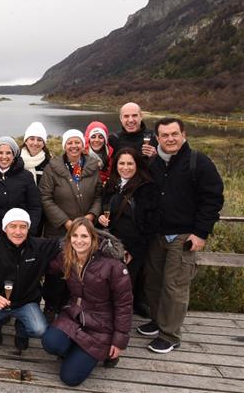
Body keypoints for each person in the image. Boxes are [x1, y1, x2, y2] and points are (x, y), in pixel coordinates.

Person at [139, 117, 224, 353]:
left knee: (175, 286)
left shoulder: (199, 161)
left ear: (183, 134)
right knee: (154, 283)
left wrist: (200, 233)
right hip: (157, 235)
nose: (170, 139)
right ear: (157, 138)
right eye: (164, 135)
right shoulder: (153, 163)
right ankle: (158, 321)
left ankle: (170, 335)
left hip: (184, 236)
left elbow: (213, 199)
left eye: (174, 134)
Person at [42, 217, 133, 386]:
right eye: (74, 236)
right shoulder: (67, 257)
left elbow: (124, 305)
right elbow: (45, 266)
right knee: (50, 342)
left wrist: (118, 341)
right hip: (73, 314)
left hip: (101, 324)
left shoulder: (113, 265)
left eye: (84, 236)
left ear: (94, 238)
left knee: (69, 378)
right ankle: (79, 351)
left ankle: (98, 353)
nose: (79, 241)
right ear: (69, 239)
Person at [0, 208, 61, 352]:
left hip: (26, 302)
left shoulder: (39, 247)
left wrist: (99, 238)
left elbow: (67, 241)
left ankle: (21, 329)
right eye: (13, 226)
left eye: (23, 227)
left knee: (40, 329)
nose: (18, 232)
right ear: (5, 228)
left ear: (28, 228)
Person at [39, 129, 102, 320]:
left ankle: (70, 306)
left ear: (83, 145)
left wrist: (90, 217)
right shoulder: (53, 167)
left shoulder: (92, 166)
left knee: (79, 270)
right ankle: (51, 306)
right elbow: (46, 197)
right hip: (58, 229)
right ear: (64, 145)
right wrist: (66, 222)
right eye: (69, 143)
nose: (74, 146)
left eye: (77, 142)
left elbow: (99, 195)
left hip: (86, 230)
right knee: (55, 269)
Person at [98, 148, 159, 316]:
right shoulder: (111, 185)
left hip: (131, 249)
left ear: (137, 165)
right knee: (106, 285)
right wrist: (100, 219)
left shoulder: (146, 188)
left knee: (124, 288)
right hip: (109, 245)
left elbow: (150, 225)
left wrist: (132, 250)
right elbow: (104, 212)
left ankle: (120, 324)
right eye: (121, 163)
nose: (125, 167)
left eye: (130, 163)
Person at [0, 136, 41, 242]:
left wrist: (30, 231)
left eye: (8, 153)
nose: (4, 156)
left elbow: (35, 207)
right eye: (0, 153)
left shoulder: (26, 177)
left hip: (19, 235)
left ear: (14, 155)